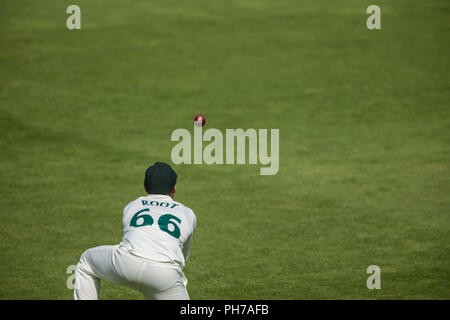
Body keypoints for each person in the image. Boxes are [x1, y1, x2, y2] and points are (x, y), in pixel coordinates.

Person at [74, 162, 197, 300]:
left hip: (125, 263)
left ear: (145, 187)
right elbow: (182, 257)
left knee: (86, 263)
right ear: (174, 188)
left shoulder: (132, 205)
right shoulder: (188, 213)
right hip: (164, 275)